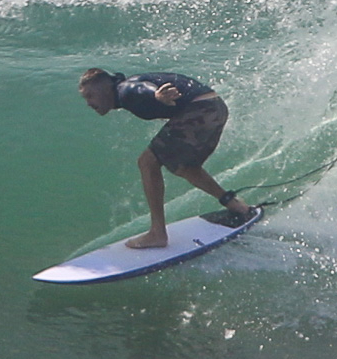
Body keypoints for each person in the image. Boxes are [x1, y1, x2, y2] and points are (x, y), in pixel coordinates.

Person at [79, 68, 253, 249]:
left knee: (147, 162)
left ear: (106, 88)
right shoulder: (125, 90)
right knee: (185, 168)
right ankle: (236, 206)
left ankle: (157, 233)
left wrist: (156, 95)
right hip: (214, 107)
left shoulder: (125, 90)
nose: (88, 103)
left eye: (91, 95)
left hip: (200, 109)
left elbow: (140, 89)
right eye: (85, 98)